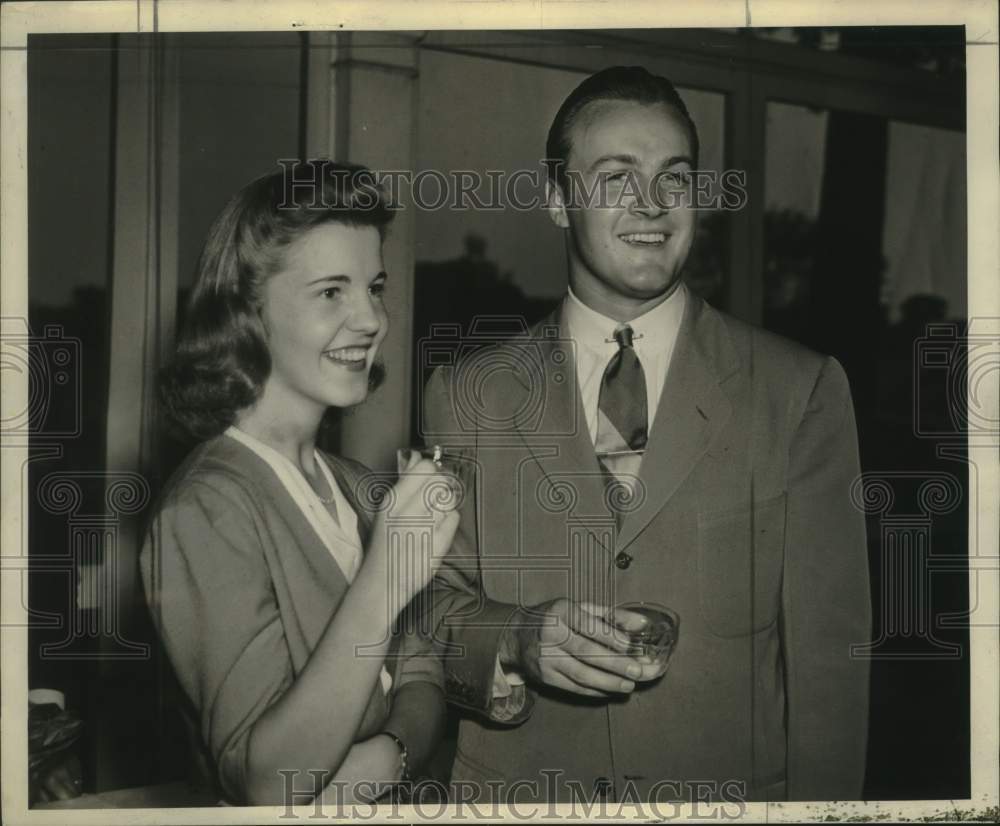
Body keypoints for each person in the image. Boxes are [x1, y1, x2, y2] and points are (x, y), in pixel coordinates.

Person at [422, 66, 871, 803]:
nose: (653, 204)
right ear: (557, 200)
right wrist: (512, 637)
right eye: (615, 176)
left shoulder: (800, 391)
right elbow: (427, 605)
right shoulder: (466, 394)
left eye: (675, 177)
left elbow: (831, 672)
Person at [141, 160, 458, 806]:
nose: (370, 319)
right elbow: (268, 778)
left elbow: (426, 674)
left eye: (375, 287)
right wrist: (386, 575)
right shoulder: (206, 508)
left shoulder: (358, 488)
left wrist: (384, 758)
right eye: (331, 292)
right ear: (248, 311)